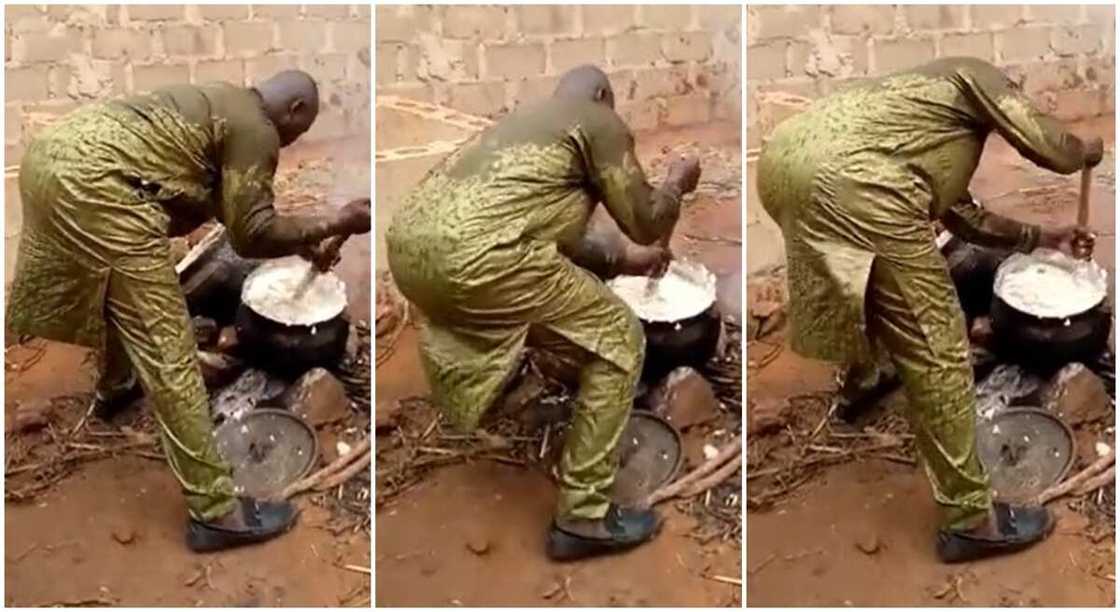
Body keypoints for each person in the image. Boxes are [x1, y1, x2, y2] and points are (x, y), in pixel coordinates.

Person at [6, 70, 372, 552]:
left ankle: (116, 388)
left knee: (115, 291)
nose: (291, 142)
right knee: (169, 347)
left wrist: (305, 244)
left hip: (51, 159)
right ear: (295, 110)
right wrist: (337, 220)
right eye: (299, 131)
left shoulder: (223, 102)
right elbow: (251, 234)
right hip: (97, 188)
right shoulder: (258, 129)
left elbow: (228, 209)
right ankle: (215, 512)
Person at [758, 56, 1103, 563]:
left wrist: (1043, 237)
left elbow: (964, 217)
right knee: (938, 341)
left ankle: (865, 377)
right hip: (854, 185)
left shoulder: (916, 115)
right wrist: (1085, 152)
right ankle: (969, 520)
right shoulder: (977, 74)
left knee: (861, 281)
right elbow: (1052, 147)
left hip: (784, 164)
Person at [386, 65, 701, 561]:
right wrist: (677, 184)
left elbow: (548, 228)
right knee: (619, 339)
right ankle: (584, 517)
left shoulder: (521, 127)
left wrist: (625, 262)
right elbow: (646, 221)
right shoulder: (596, 120)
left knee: (545, 310)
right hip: (482, 261)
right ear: (603, 97)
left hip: (409, 255)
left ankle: (513, 396)